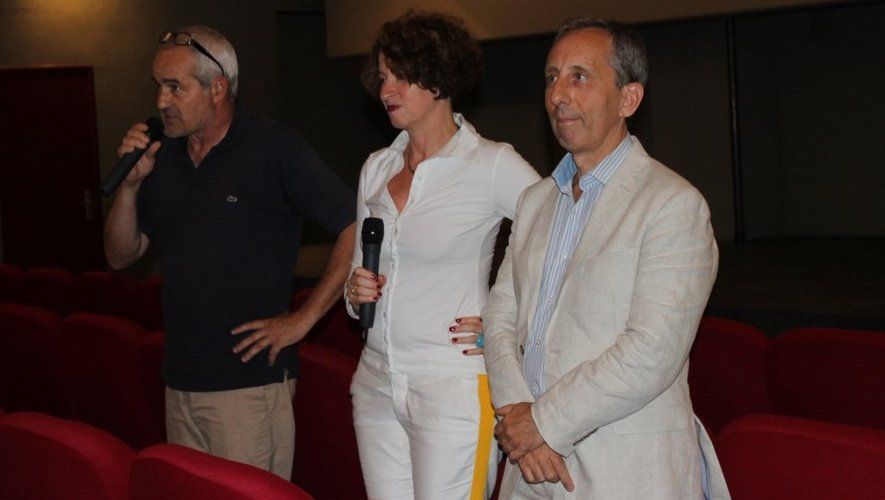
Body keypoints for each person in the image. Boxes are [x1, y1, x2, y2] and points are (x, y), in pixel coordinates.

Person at [483, 18, 731, 499]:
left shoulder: (672, 204)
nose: (558, 95)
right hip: (527, 466)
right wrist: (519, 420)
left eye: (579, 77)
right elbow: (500, 317)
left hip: (625, 471)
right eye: (552, 77)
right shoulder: (534, 202)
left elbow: (651, 352)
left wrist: (543, 422)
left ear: (628, 99)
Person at [103, 25, 356, 480]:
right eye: (158, 86)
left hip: (248, 387)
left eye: (175, 87)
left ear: (217, 88)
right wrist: (131, 186)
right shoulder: (163, 157)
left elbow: (354, 226)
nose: (161, 101)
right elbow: (120, 256)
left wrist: (304, 319)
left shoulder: (273, 148)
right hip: (179, 382)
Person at [345, 12, 540, 500]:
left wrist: (509, 326)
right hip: (376, 381)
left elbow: (561, 241)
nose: (386, 89)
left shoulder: (489, 163)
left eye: (401, 75)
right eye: (382, 76)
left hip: (452, 387)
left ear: (439, 78)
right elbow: (358, 274)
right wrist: (353, 292)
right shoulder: (377, 167)